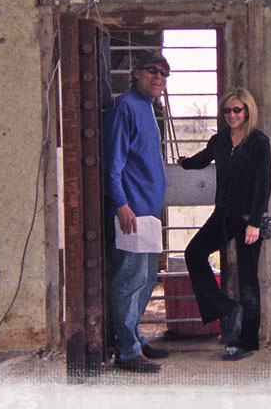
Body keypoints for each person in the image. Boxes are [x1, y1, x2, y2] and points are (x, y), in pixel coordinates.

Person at [177, 87, 271, 360]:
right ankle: (225, 307)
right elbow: (201, 160)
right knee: (193, 253)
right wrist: (183, 163)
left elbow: (263, 184)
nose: (232, 115)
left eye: (237, 110)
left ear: (248, 111)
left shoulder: (258, 141)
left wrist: (255, 223)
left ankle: (248, 341)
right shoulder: (219, 140)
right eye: (227, 110)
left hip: (248, 219)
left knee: (248, 279)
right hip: (224, 215)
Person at [103, 51, 171, 373]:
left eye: (164, 73)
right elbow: (112, 165)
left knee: (146, 279)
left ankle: (135, 337)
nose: (158, 77)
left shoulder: (148, 108)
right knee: (129, 280)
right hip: (132, 211)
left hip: (150, 211)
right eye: (152, 70)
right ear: (136, 73)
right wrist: (121, 205)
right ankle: (127, 352)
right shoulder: (125, 108)